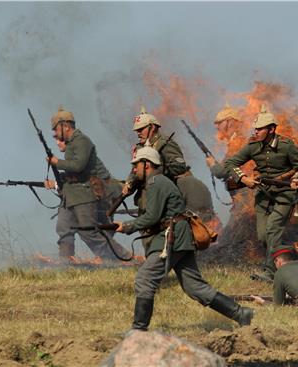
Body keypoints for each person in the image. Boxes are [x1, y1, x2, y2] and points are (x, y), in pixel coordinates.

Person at [113, 147, 253, 330]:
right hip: (180, 238)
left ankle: (138, 330)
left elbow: (152, 217)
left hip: (173, 238)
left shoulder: (156, 182)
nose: (134, 169)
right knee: (195, 287)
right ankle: (241, 313)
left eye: (136, 165)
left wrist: (127, 226)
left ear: (147, 165)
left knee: (145, 278)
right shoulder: (159, 182)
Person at [224, 105, 298, 282]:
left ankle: (271, 272)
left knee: (272, 230)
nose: (256, 131)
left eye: (260, 129)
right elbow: (230, 164)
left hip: (285, 193)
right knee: (263, 236)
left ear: (271, 129)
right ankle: (291, 258)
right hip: (263, 194)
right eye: (255, 128)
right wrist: (244, 179)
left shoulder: (287, 146)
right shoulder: (253, 146)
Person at [45, 106, 130, 262]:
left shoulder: (82, 141)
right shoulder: (71, 143)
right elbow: (73, 171)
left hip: (85, 193)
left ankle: (122, 258)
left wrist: (57, 162)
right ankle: (65, 260)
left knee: (88, 231)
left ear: (66, 126)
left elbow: (78, 166)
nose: (55, 134)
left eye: (56, 129)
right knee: (63, 227)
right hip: (71, 194)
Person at [122, 106, 217, 223]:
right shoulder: (139, 148)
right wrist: (129, 183)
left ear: (152, 127)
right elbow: (135, 170)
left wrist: (156, 170)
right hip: (148, 197)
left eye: (141, 129)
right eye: (137, 130)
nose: (138, 133)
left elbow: (179, 166)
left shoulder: (165, 143)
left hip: (166, 195)